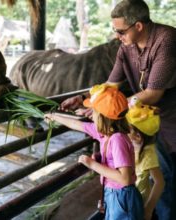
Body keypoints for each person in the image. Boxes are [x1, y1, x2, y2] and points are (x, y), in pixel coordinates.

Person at [60, 1, 176, 219]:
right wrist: (86, 98)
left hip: (168, 119)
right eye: (115, 30)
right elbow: (111, 85)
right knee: (153, 174)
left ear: (139, 26)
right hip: (143, 119)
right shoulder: (126, 47)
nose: (117, 35)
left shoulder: (166, 40)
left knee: (167, 178)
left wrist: (106, 106)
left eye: (121, 31)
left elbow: (153, 93)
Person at [45, 85, 143, 220]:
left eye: (93, 111)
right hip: (112, 192)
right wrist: (54, 117)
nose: (91, 114)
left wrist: (91, 164)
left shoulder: (117, 140)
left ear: (103, 117)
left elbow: (124, 179)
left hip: (121, 197)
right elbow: (77, 125)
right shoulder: (104, 133)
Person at [126, 97, 165, 220]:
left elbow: (159, 182)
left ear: (137, 136)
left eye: (127, 129)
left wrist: (148, 209)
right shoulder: (130, 146)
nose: (123, 131)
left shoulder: (147, 153)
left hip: (140, 207)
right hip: (128, 203)